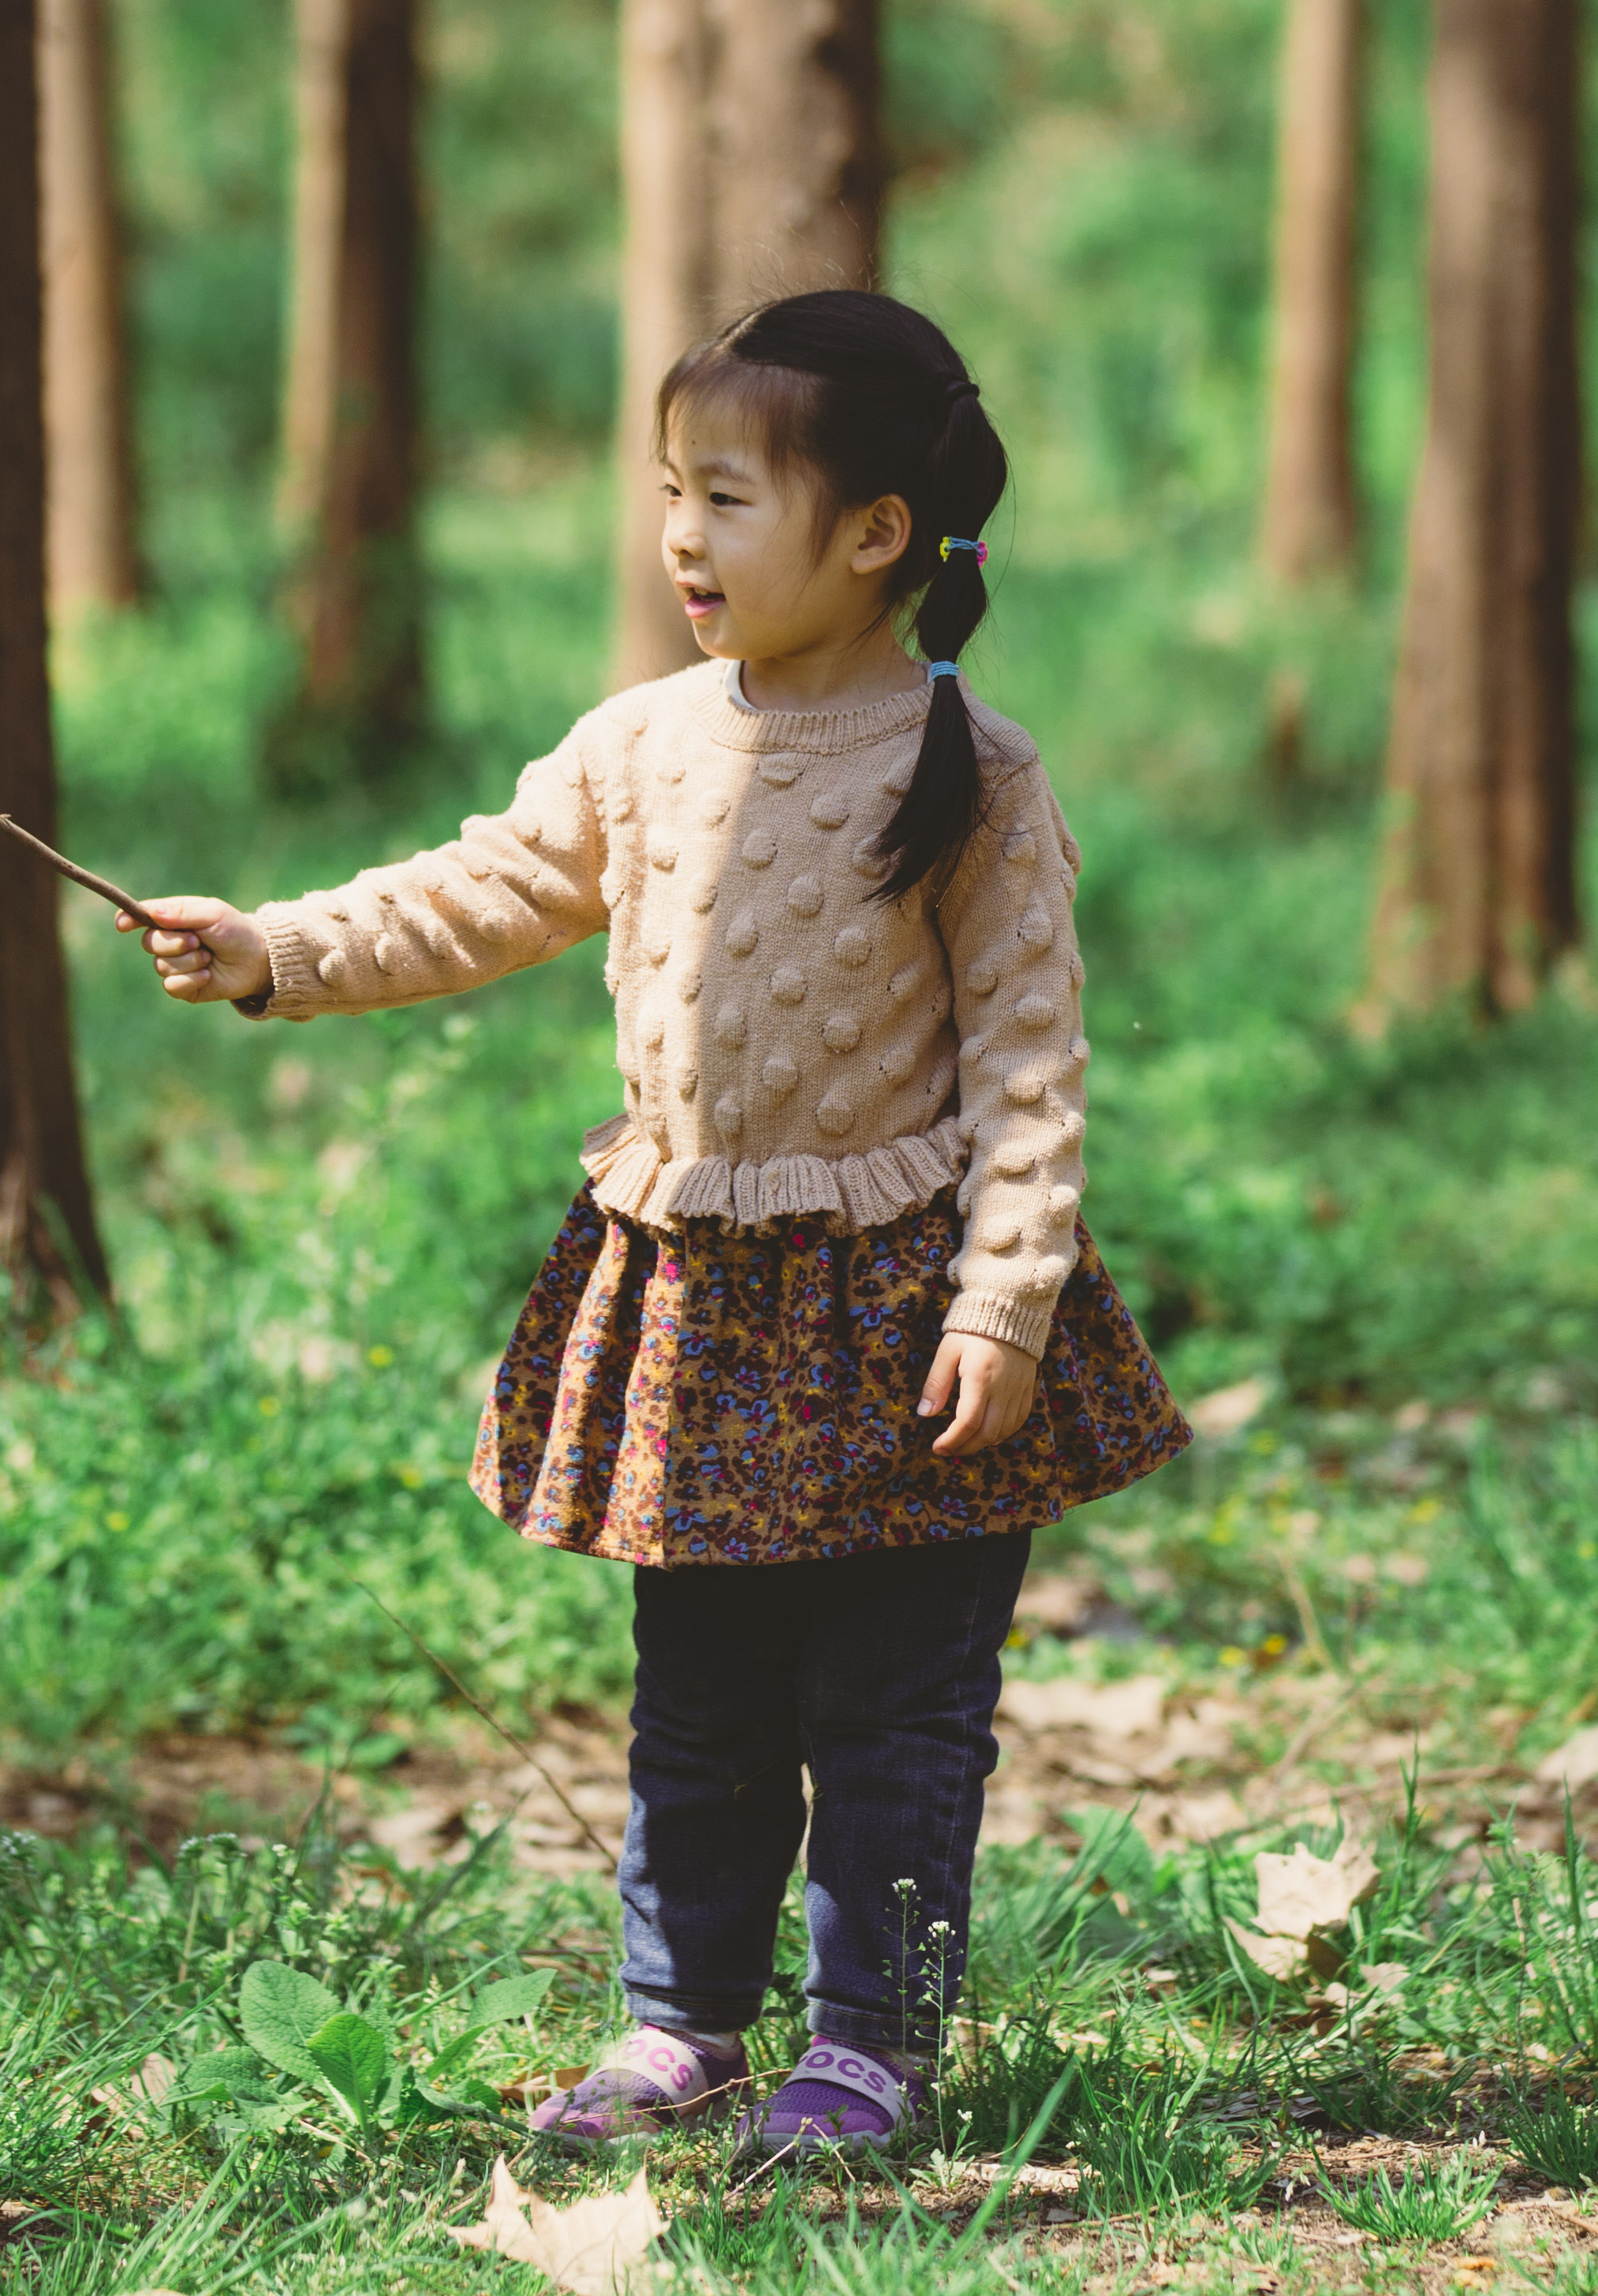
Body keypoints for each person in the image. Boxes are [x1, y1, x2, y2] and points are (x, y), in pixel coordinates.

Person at [133, 290, 1188, 2159]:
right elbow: (478, 894)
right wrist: (273, 950)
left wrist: (1006, 1303)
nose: (679, 537)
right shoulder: (637, 745)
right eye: (667, 492)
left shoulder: (976, 773)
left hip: (904, 1311)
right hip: (698, 1304)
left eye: (725, 496)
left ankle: (870, 2042)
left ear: (875, 534)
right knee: (700, 1697)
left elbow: (1032, 1068)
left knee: (896, 1708)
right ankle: (682, 2022)